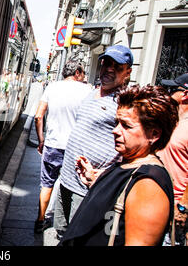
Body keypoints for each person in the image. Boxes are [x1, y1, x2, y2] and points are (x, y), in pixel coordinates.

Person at [59, 84, 178, 246]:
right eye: (116, 123)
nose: (115, 130)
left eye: (126, 125)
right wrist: (94, 180)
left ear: (154, 134)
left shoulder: (149, 185)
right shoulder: (128, 163)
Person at [54, 45, 133, 239]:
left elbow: (132, 146)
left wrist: (109, 175)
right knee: (61, 232)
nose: (109, 69)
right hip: (66, 180)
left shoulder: (125, 102)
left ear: (127, 72)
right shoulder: (92, 92)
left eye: (117, 66)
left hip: (88, 187)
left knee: (79, 237)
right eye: (106, 63)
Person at [33, 61, 91, 233]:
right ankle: (66, 226)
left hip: (52, 144)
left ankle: (40, 220)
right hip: (75, 147)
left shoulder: (52, 87)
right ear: (78, 72)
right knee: (71, 185)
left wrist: (41, 140)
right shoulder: (88, 91)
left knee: (47, 184)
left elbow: (38, 116)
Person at [158, 73, 188, 246]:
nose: (168, 93)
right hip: (158, 200)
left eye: (173, 90)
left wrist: (183, 207)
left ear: (185, 94)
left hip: (175, 207)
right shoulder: (172, 119)